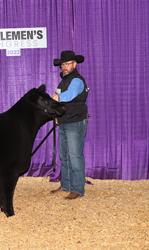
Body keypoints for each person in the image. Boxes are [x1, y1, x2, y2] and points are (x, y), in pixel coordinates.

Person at [50, 50, 89, 200]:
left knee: (75, 155)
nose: (64, 67)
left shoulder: (77, 80)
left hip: (76, 122)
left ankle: (78, 189)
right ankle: (66, 185)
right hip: (64, 121)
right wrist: (56, 116)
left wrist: (59, 96)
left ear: (75, 64)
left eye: (67, 64)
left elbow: (71, 94)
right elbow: (60, 103)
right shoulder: (63, 80)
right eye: (62, 65)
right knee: (64, 155)